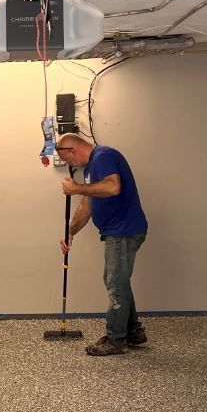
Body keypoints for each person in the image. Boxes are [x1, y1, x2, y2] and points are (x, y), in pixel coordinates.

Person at [56, 133, 148, 356]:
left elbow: (113, 187)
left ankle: (116, 340)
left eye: (67, 160)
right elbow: (87, 206)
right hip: (116, 231)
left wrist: (75, 188)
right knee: (117, 280)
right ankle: (134, 331)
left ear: (72, 151)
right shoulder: (91, 169)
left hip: (123, 231)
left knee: (115, 283)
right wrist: (71, 233)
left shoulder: (103, 156)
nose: (70, 165)